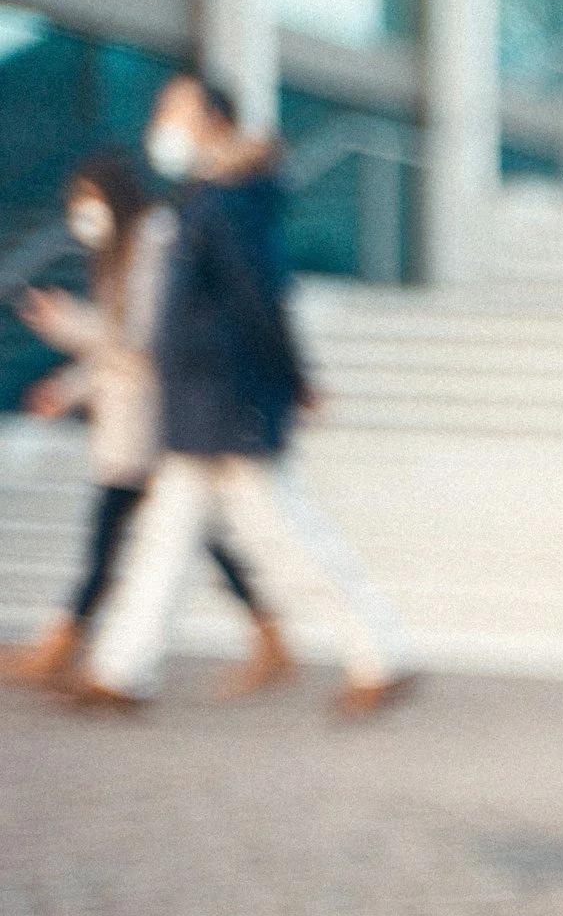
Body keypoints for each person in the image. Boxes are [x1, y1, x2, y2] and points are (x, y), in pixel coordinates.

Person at [68, 74, 414, 719]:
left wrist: (295, 377)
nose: (161, 122)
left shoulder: (229, 200)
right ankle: (119, 671)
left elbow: (262, 299)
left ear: (214, 120)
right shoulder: (201, 197)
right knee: (166, 539)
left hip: (229, 403)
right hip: (198, 403)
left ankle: (379, 653)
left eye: (173, 109)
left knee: (289, 536)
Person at [7, 152, 293, 696]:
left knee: (119, 533)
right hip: (136, 419)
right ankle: (264, 633)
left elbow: (141, 339)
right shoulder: (120, 251)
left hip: (156, 416)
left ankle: (79, 651)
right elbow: (118, 343)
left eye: (88, 200)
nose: (82, 213)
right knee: (173, 534)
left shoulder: (153, 243)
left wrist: (67, 324)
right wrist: (67, 389)